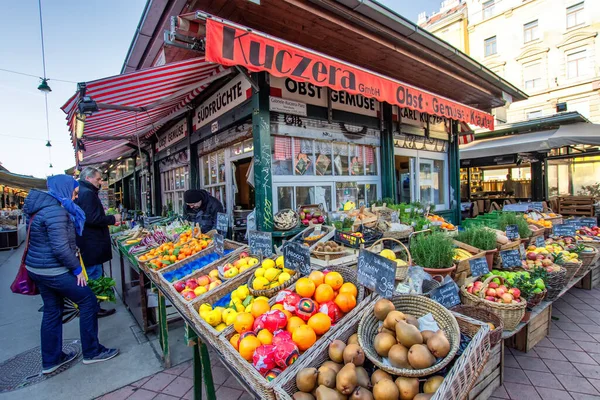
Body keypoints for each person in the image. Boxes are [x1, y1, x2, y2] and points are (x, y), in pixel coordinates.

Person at [24, 175, 119, 374]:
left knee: (52, 310)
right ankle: (92, 352)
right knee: (88, 302)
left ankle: (51, 360)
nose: (76, 198)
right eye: (74, 193)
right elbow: (60, 247)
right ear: (65, 190)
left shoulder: (41, 209)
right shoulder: (57, 212)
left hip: (37, 269)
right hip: (54, 270)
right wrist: (77, 270)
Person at [75, 167, 121, 317]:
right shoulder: (87, 193)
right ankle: (92, 309)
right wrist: (113, 219)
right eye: (98, 179)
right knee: (94, 276)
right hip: (92, 244)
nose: (100, 181)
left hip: (88, 243)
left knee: (92, 275)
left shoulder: (82, 191)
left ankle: (92, 307)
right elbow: (92, 218)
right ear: (88, 178)